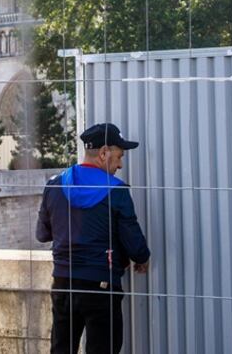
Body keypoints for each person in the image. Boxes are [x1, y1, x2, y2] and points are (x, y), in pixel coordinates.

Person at [36, 123, 151, 354]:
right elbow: (134, 243)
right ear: (103, 152)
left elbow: (42, 234)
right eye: (119, 157)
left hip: (62, 283)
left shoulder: (55, 184)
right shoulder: (116, 190)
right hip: (101, 286)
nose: (119, 164)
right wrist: (142, 258)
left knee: (61, 348)